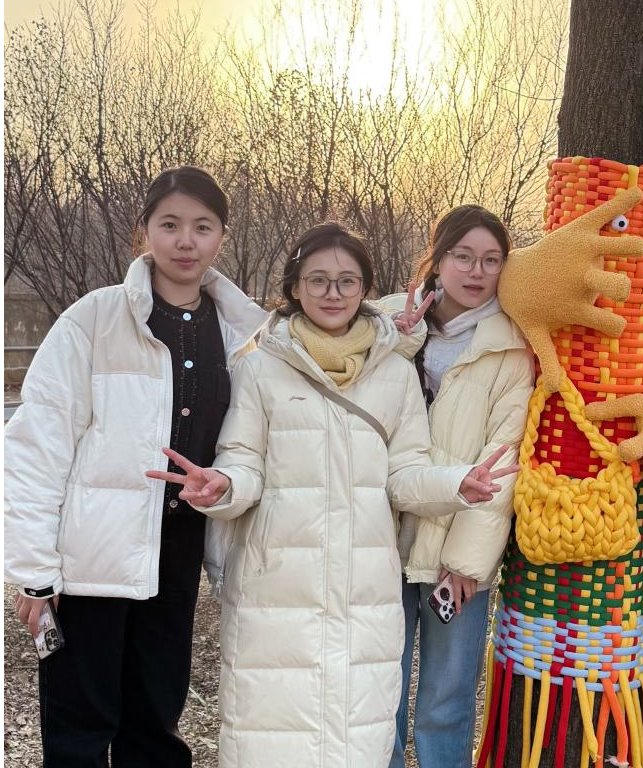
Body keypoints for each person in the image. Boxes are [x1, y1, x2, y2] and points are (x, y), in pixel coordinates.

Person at [145, 222, 516, 768]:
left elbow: (405, 473)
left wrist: (454, 485)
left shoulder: (394, 373)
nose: (333, 293)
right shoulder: (259, 367)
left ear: (365, 288)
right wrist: (223, 486)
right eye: (317, 280)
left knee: (357, 732)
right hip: (276, 583)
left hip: (363, 586)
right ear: (295, 287)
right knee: (270, 731)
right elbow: (243, 459)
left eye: (347, 281)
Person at [4, 166, 269, 767]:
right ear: (144, 230)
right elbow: (37, 444)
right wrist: (34, 572)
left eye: (202, 226)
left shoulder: (241, 335)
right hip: (92, 558)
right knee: (79, 727)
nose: (185, 241)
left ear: (221, 236)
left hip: (177, 551)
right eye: (169, 224)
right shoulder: (95, 319)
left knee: (155, 721)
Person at [384, 205, 533, 768]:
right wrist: (393, 341)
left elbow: (504, 455)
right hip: (379, 537)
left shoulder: (510, 346)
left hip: (456, 548)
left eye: (492, 260)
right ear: (438, 258)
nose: (477, 272)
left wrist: (467, 563)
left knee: (447, 699)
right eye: (463, 257)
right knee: (380, 687)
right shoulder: (388, 323)